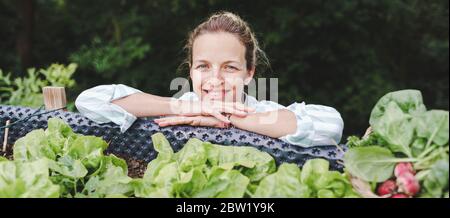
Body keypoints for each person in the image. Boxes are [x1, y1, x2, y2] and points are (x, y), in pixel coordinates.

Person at [75, 11, 344, 147]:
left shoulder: (263, 112)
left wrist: (229, 117)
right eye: (203, 66)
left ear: (249, 72)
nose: (215, 79)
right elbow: (90, 101)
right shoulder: (179, 109)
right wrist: (189, 107)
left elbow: (331, 125)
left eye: (229, 68)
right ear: (190, 70)